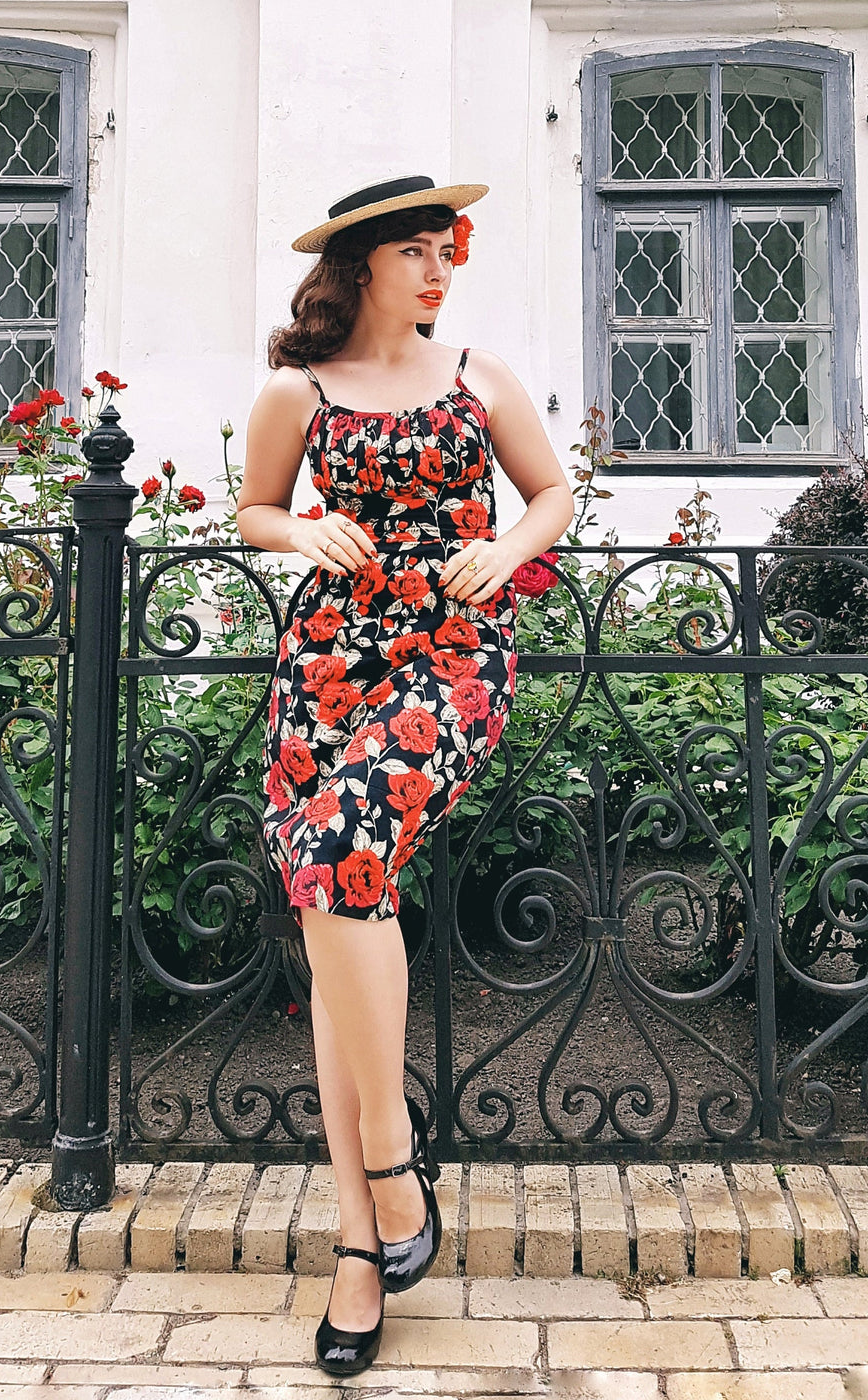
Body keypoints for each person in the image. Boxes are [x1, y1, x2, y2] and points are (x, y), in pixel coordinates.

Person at [236, 174, 573, 1376]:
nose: (439, 270)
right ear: (363, 264)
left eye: (446, 249)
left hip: (455, 650)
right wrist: (299, 529)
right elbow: (254, 508)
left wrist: (505, 546)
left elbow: (551, 493)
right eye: (417, 251)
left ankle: (389, 1158)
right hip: (328, 661)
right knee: (339, 900)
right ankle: (359, 1243)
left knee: (338, 856)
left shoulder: (479, 377)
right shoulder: (301, 388)